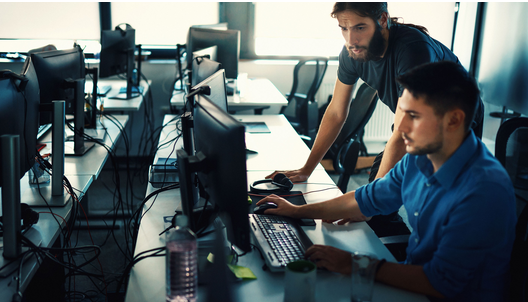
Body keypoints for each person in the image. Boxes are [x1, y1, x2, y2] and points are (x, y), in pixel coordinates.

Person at [257, 61, 516, 301]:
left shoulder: (484, 191)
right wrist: (297, 211)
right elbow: (365, 200)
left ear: (454, 120)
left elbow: (442, 283)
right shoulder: (419, 158)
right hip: (412, 283)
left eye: (413, 116)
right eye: (401, 113)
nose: (400, 128)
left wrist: (354, 264)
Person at [266, 2, 485, 237]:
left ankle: (408, 255)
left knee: (428, 202)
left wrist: (372, 204)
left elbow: (401, 133)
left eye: (360, 28)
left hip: (451, 126)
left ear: (382, 20)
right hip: (413, 127)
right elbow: (336, 111)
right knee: (379, 197)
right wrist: (306, 169)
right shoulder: (352, 53)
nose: (351, 39)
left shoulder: (412, 49)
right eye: (344, 28)